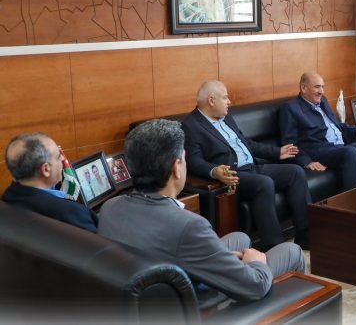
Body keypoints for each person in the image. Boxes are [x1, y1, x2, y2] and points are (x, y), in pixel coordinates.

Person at [99, 119, 305, 306]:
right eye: (184, 158)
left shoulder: (110, 207)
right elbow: (255, 286)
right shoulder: (189, 225)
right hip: (196, 304)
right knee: (291, 251)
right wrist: (256, 263)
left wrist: (221, 258)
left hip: (158, 293)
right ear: (176, 168)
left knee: (239, 238)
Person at [182, 80, 311, 250]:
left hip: (253, 167)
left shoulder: (226, 117)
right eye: (225, 97)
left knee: (296, 172)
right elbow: (193, 161)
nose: (229, 102)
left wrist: (277, 152)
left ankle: (306, 236)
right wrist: (214, 171)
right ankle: (275, 246)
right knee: (264, 183)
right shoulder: (191, 125)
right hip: (233, 175)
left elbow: (247, 143)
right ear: (211, 100)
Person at [279, 73, 356, 191]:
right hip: (319, 150)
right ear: (303, 88)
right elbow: (289, 144)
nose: (321, 91)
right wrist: (307, 162)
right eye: (317, 87)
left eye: (323, 87)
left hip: (340, 148)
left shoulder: (322, 101)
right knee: (350, 151)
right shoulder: (291, 108)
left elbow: (337, 126)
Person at [2, 132, 98, 232]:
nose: (62, 158)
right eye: (58, 156)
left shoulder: (7, 197)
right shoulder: (74, 214)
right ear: (46, 169)